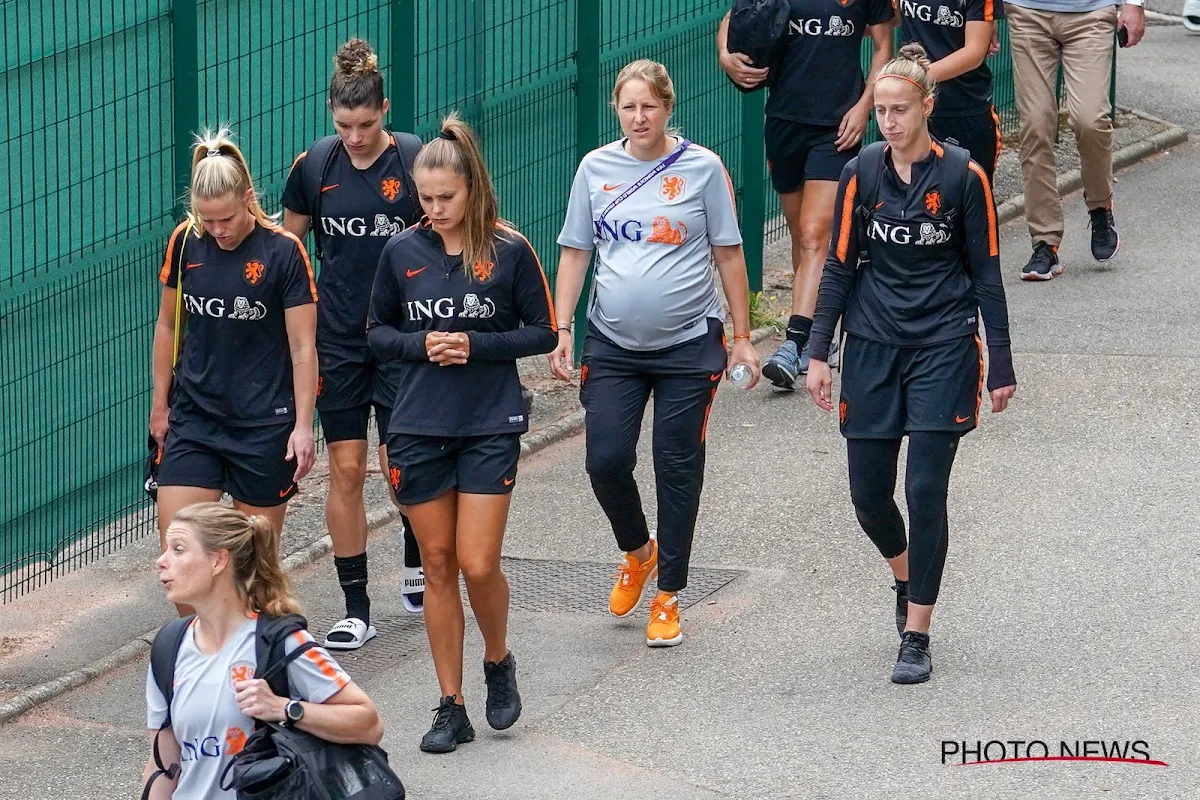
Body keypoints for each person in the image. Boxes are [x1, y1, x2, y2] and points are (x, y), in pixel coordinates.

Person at [804, 45, 1017, 684]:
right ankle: (906, 575)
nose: (889, 122)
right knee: (868, 494)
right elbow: (839, 266)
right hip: (871, 347)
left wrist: (1000, 362)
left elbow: (986, 275)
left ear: (928, 107)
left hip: (943, 348)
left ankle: (917, 632)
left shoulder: (962, 178)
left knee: (924, 488)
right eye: (882, 111)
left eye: (901, 110)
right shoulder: (861, 174)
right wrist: (818, 351)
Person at [549, 59, 760, 649]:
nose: (639, 117)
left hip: (689, 346)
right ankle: (638, 551)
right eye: (628, 107)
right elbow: (573, 252)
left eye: (649, 106)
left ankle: (668, 594)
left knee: (676, 464)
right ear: (616, 110)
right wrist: (561, 328)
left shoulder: (702, 169)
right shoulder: (595, 168)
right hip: (613, 344)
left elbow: (730, 254)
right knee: (605, 461)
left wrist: (742, 335)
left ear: (669, 108)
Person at [366, 113, 557, 753]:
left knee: (478, 562)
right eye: (426, 199)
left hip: (486, 423)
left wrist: (474, 347)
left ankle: (497, 661)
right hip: (417, 424)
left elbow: (542, 331)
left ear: (472, 188)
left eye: (447, 197)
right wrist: (423, 343)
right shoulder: (402, 253)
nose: (436, 208)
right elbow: (376, 333)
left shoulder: (509, 249)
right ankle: (451, 704)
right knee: (438, 563)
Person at [282, 39, 426, 650]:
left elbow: (444, 241)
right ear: (330, 116)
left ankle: (418, 558)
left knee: (403, 469)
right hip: (338, 344)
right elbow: (288, 256)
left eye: (367, 124)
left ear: (385, 112)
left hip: (402, 341)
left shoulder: (416, 162)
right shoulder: (314, 167)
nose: (357, 137)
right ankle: (356, 606)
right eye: (344, 125)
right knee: (345, 469)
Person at [150, 128, 317, 617]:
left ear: (248, 198)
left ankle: (255, 676)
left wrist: (304, 427)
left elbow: (304, 347)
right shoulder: (185, 243)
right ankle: (203, 673)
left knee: (255, 579)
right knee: (184, 571)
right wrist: (160, 406)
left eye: (225, 219)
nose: (217, 231)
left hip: (264, 426)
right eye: (206, 219)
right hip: (195, 422)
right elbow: (166, 326)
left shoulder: (283, 251)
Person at [142, 502, 383, 799]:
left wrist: (284, 709)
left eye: (178, 549)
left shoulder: (280, 642)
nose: (161, 561)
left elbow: (368, 723)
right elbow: (163, 764)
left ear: (218, 561)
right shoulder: (169, 648)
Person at [719, 0, 894, 388]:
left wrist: (866, 105)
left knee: (817, 235)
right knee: (800, 235)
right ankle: (822, 327)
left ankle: (796, 341)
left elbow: (884, 45)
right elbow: (735, 16)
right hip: (784, 122)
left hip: (837, 126)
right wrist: (724, 54)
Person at [1006, 0, 1145, 280]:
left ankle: (1100, 205)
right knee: (1035, 126)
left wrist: (1134, 4)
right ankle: (1045, 242)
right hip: (1026, 11)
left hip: (1091, 12)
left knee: (1090, 120)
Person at [895, 0, 1005, 178]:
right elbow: (889, 15)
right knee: (898, 196)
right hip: (909, 107)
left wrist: (914, 77)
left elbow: (974, 52)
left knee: (965, 197)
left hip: (962, 109)